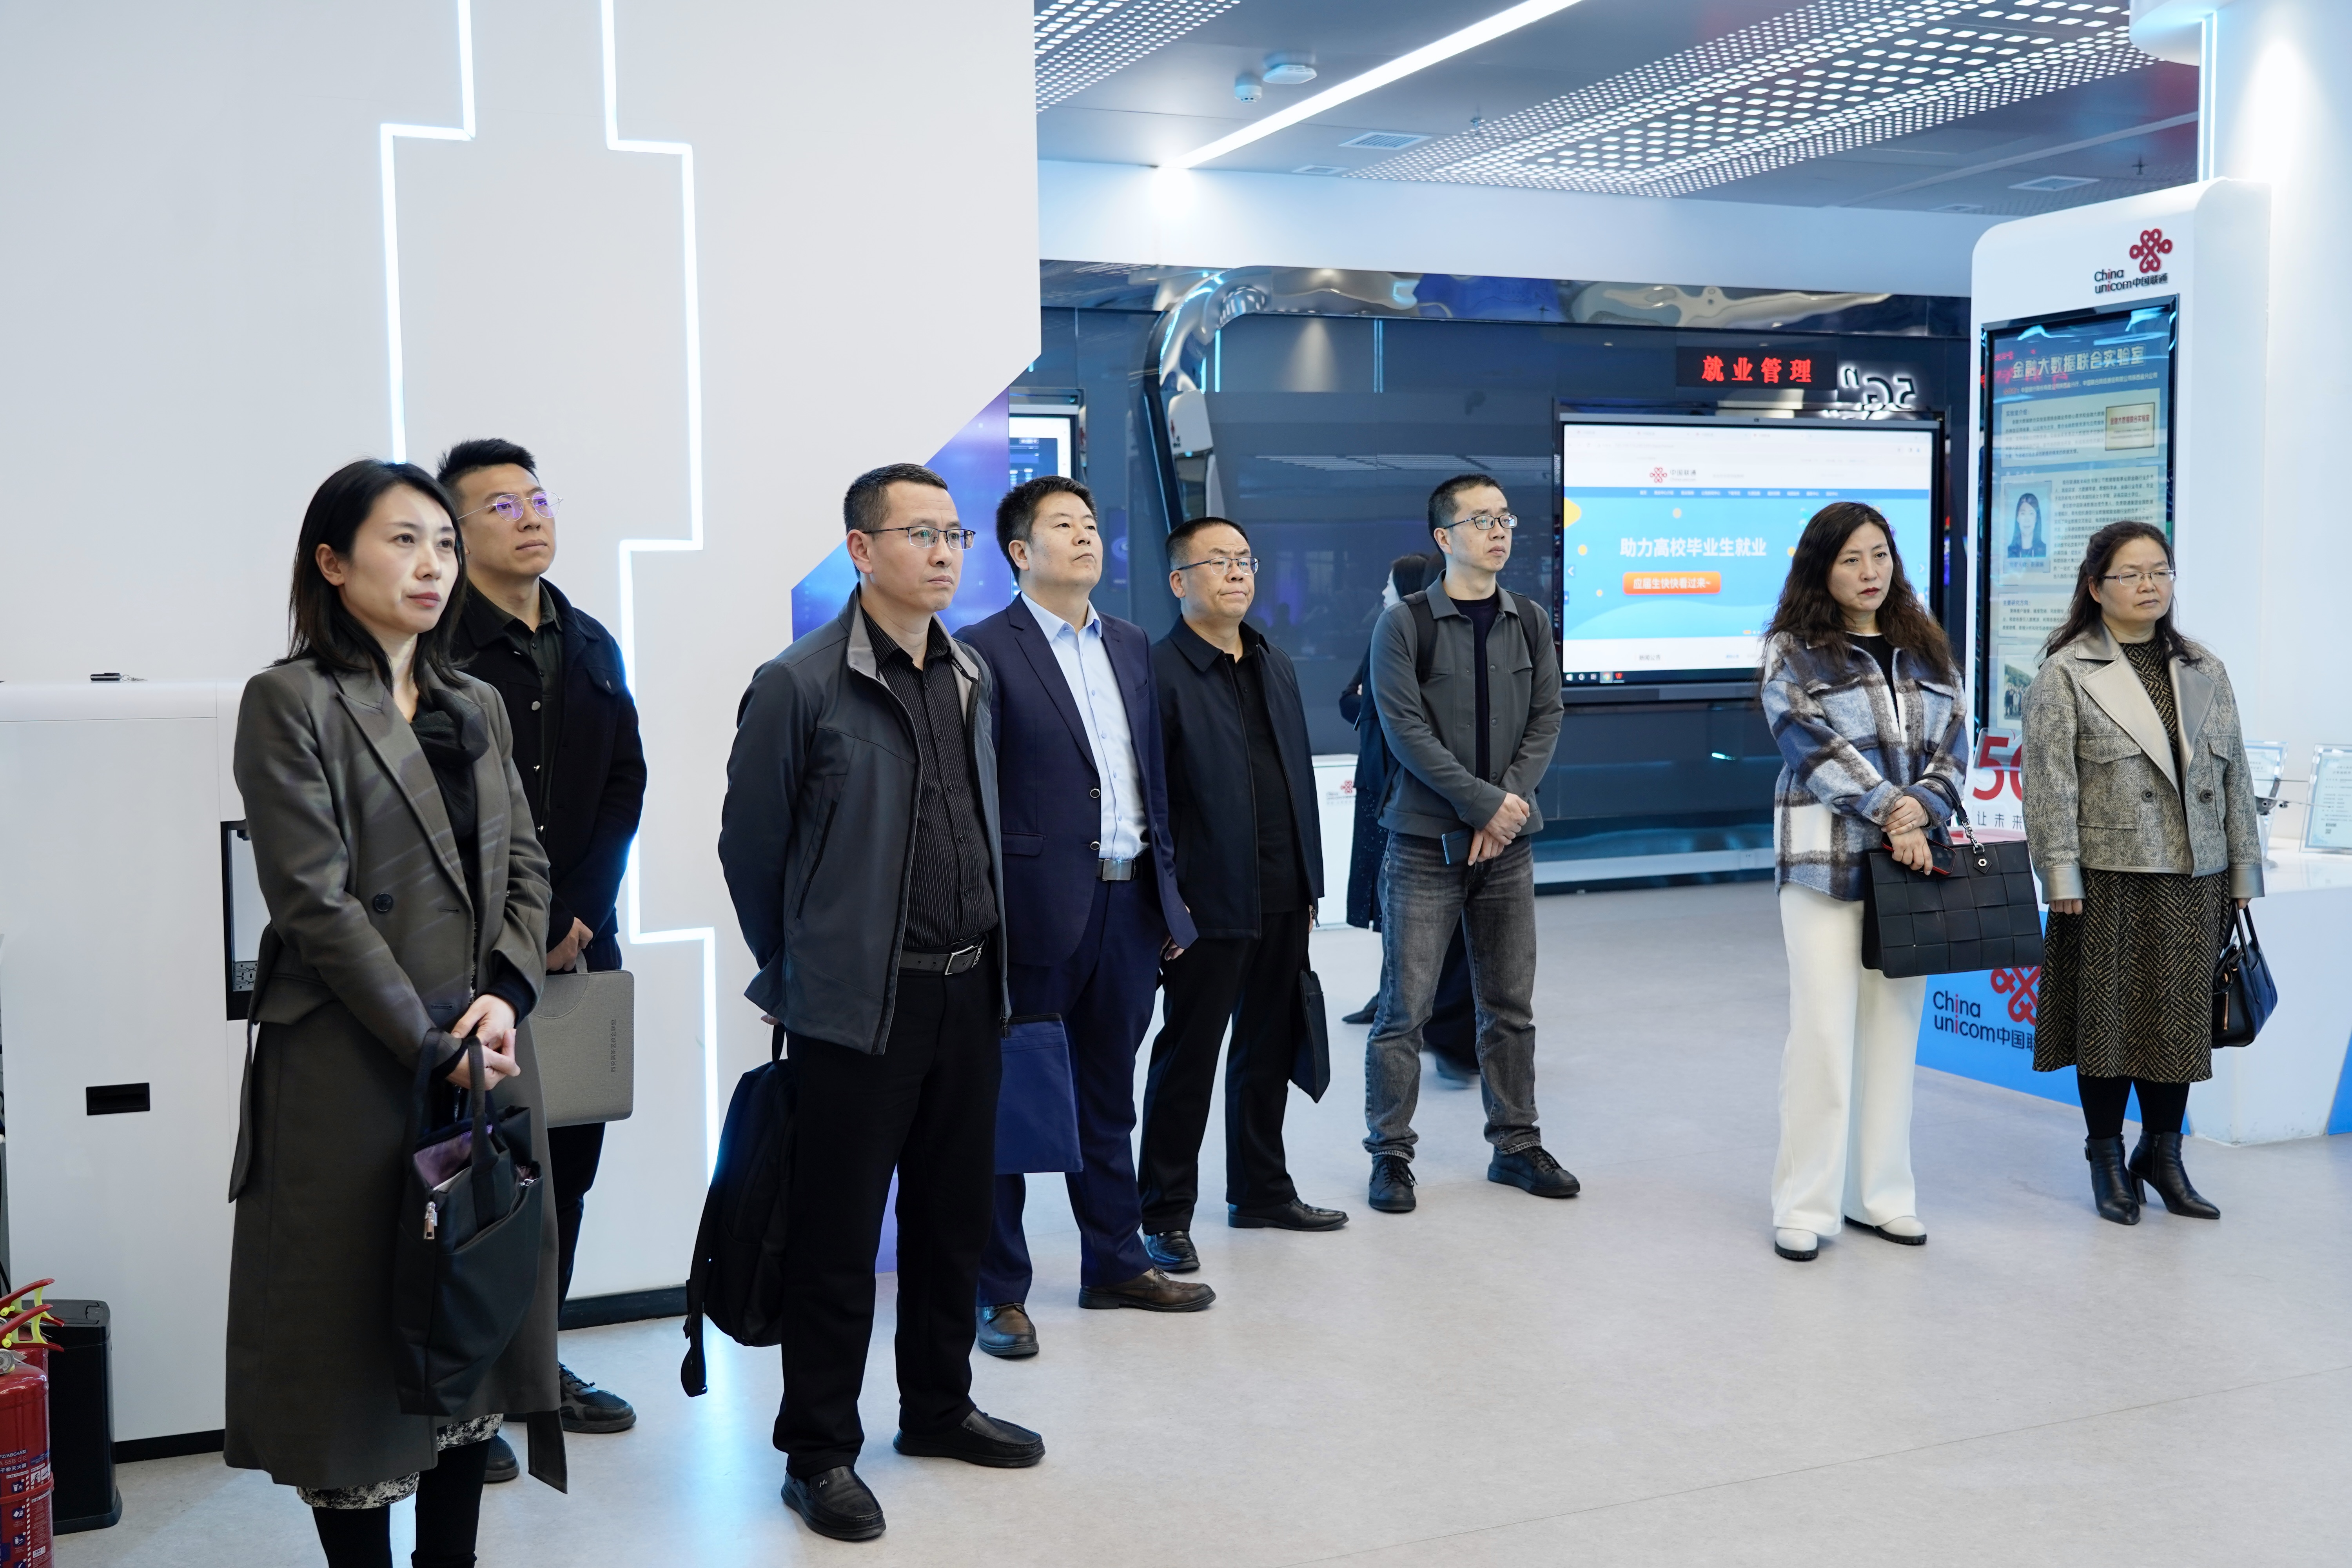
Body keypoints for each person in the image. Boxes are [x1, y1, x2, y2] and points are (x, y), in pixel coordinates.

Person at [227, 459, 563, 1566]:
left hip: (483, 1054)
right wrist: (431, 1044)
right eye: (403, 541)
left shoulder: (475, 703)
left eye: (443, 544)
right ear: (332, 563)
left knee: (473, 1310)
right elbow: (313, 903)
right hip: (353, 1065)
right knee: (352, 1340)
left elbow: (528, 869)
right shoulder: (291, 701)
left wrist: (506, 994)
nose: (433, 565)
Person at [720, 463, 1042, 1544]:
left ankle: (939, 1407)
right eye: (920, 534)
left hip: (970, 986)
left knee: (952, 1220)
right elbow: (752, 851)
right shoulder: (799, 683)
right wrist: (809, 967)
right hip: (859, 1005)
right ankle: (818, 1450)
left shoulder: (971, 671)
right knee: (838, 1236)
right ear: (861, 550)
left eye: (954, 534)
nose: (945, 553)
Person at [958, 475, 1210, 1357]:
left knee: (1109, 1098)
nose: (1086, 536)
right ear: (1019, 552)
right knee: (1009, 1102)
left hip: (1128, 904)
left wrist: (1165, 892)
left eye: (1092, 524)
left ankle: (1115, 1262)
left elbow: (1151, 780)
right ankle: (999, 1293)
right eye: (1064, 525)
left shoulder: (1130, 642)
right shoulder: (981, 650)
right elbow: (972, 793)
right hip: (1031, 913)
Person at [438, 438, 647, 1481]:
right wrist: (519, 928)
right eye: (502, 505)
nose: (531, 516)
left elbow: (624, 783)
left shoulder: (590, 638)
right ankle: (460, 1402)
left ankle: (536, 1370)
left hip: (576, 949)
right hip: (469, 962)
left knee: (566, 1173)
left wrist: (579, 913)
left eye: (539, 498)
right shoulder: (434, 648)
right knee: (466, 1179)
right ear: (453, 531)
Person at [2022, 520, 2261, 1225]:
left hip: (2196, 876)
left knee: (2178, 1025)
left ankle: (2162, 1155)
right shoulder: (2066, 672)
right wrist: (2060, 875)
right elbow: (2050, 786)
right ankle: (2105, 1158)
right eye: (2131, 574)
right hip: (2108, 877)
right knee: (2107, 1025)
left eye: (2160, 571)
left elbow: (2237, 776)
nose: (2149, 585)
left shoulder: (2204, 667)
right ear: (2096, 587)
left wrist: (2244, 870)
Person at [1757, 502, 1966, 1263]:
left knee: (1892, 1033)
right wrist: (1892, 811)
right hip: (1824, 865)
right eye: (1851, 558)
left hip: (1909, 865)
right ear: (1822, 568)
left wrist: (1924, 809)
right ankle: (1805, 1204)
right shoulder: (1793, 650)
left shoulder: (1925, 644)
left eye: (1880, 554)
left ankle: (1880, 1196)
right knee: (1823, 1031)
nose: (1870, 571)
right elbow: (1807, 745)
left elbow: (1957, 740)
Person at [1138, 516, 1348, 1266]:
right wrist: (1167, 902)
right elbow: (1150, 802)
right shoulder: (1157, 674)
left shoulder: (1273, 662)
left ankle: (1261, 1190)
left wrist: (1310, 884)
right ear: (1179, 581)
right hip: (1206, 902)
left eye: (1245, 560)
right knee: (1189, 1057)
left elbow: (1294, 780)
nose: (1236, 573)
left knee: (1268, 1048)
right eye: (1218, 562)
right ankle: (1165, 1213)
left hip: (1284, 892)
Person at [1362, 473, 1568, 1215]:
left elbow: (1547, 717)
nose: (1499, 530)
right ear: (1444, 537)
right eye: (1481, 520)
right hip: (1424, 844)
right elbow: (1405, 731)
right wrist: (1487, 805)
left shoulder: (1530, 619)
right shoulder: (1405, 625)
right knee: (1405, 1011)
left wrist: (1504, 809)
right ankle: (1391, 1155)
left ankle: (1516, 1143)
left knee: (1509, 1006)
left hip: (1507, 848)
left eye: (1504, 518)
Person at [1339, 553, 1478, 1088]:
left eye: (1388, 586)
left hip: (1415, 792)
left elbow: (1406, 718)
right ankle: (1394, 998)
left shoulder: (1438, 643)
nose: (1381, 595)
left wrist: (1374, 707)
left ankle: (1440, 1026)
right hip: (1379, 786)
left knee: (1428, 915)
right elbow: (1350, 699)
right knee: (1389, 905)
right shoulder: (1387, 635)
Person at [2008, 493, 2046, 559]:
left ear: (2036, 518)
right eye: (2023, 514)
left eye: (2031, 514)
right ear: (2018, 518)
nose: (2027, 520)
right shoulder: (2010, 552)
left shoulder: (2044, 550)